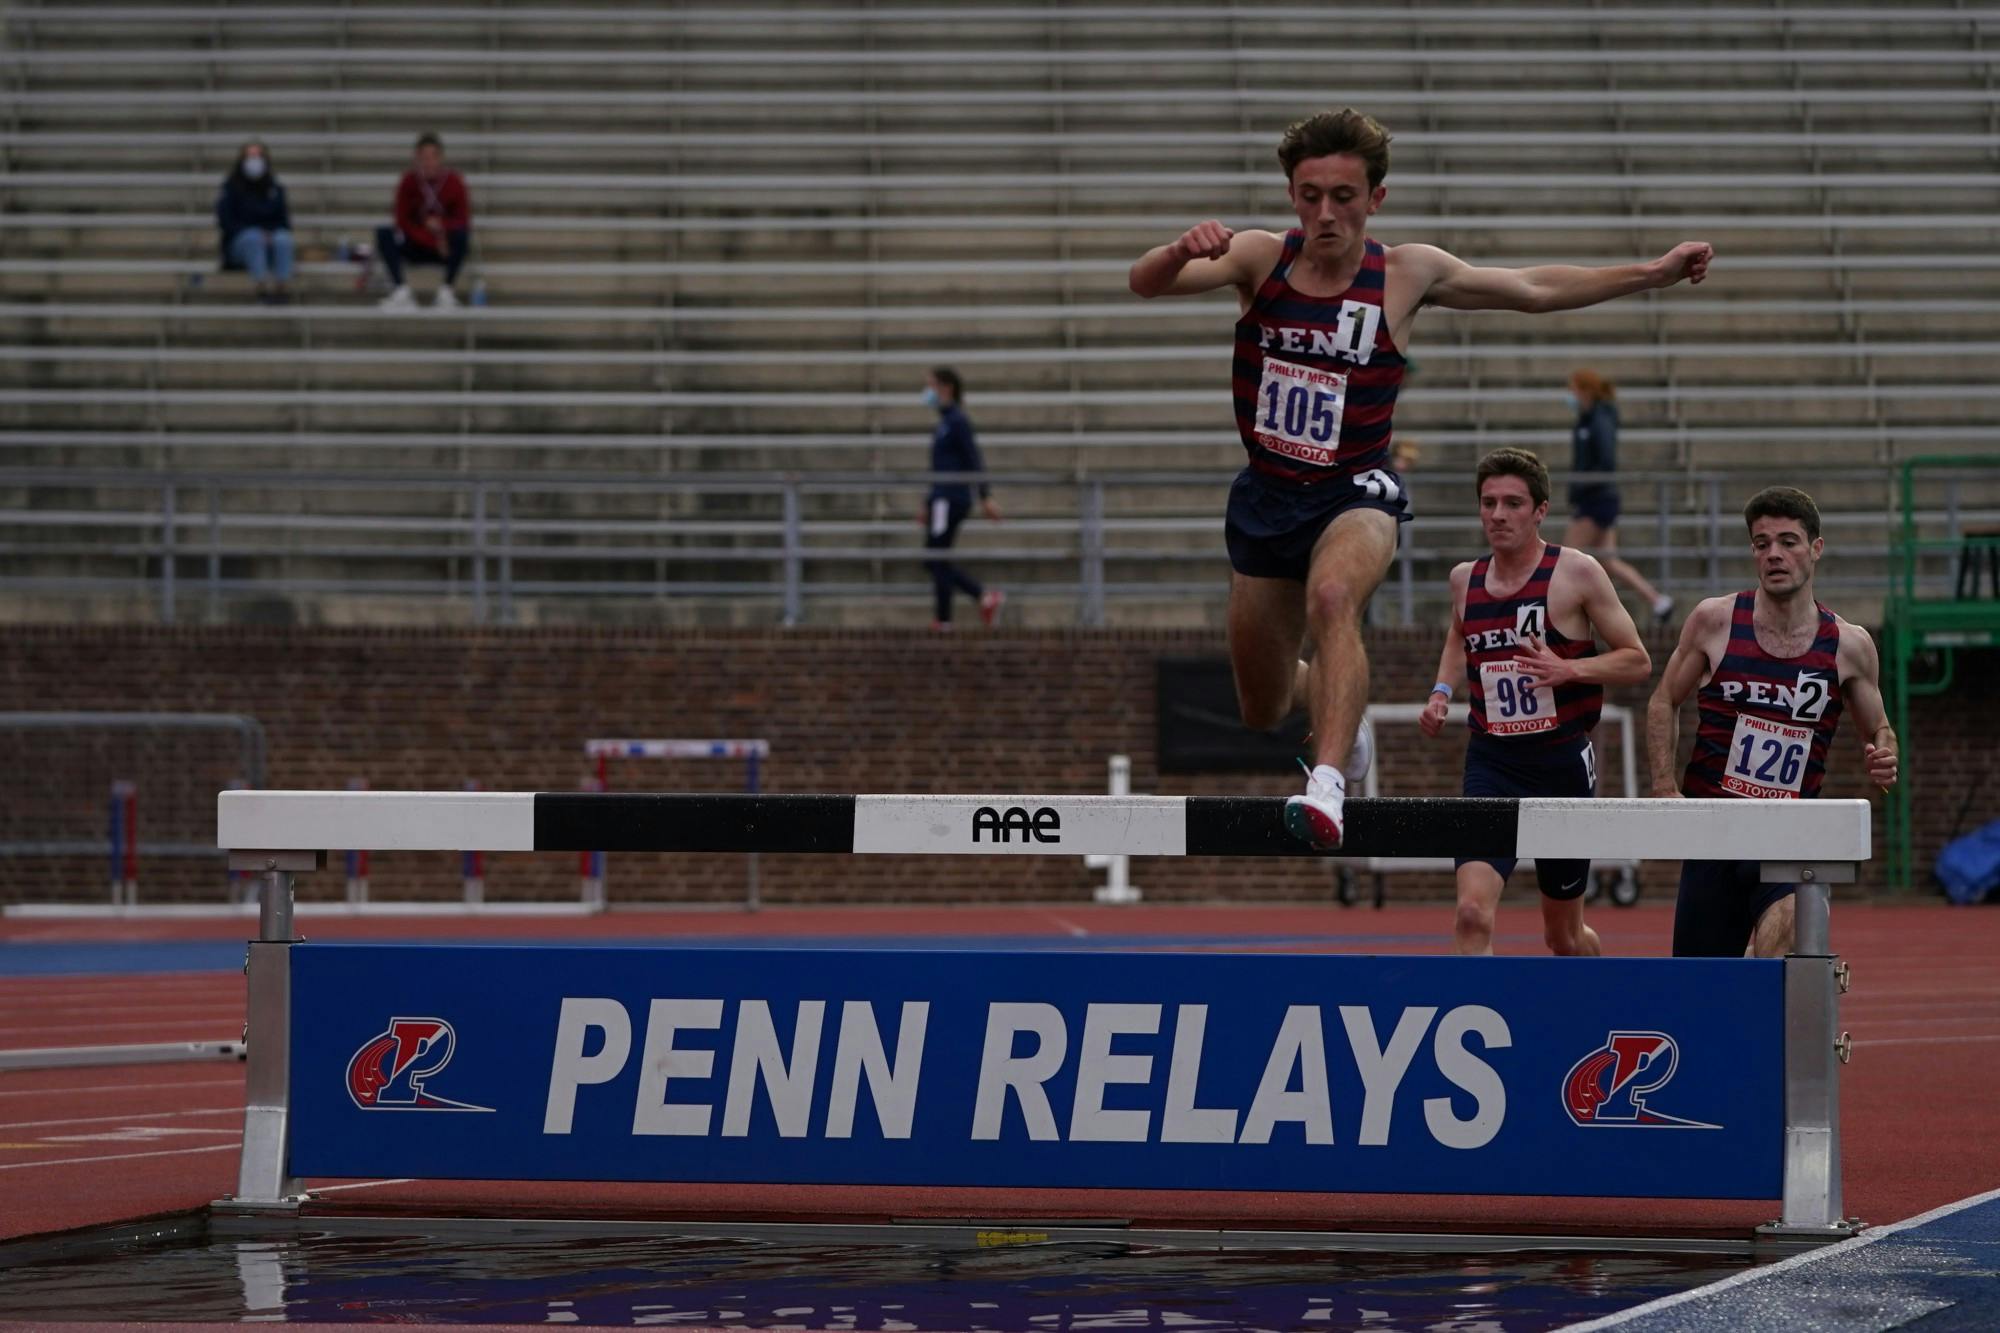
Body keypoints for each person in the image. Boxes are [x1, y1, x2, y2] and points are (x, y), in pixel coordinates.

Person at [1128, 106, 1713, 849]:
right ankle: (1346, 706)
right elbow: (1144, 284)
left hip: (1354, 491)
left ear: (1376, 198)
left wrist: (1651, 273)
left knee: (1334, 596)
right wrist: (1179, 249)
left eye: (1343, 196)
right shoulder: (1257, 258)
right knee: (1262, 703)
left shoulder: (1405, 273)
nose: (1325, 213)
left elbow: (1532, 287)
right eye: (1310, 196)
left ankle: (1329, 784)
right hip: (1266, 497)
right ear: (1291, 197)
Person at [1647, 486, 1899, 958]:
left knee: (1779, 943)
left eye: (1788, 542)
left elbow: (1879, 728)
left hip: (1788, 836)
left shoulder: (1849, 645)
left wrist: (1885, 757)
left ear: (1816, 549)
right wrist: (1664, 785)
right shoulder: (1715, 621)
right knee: (1700, 985)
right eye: (1762, 544)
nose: (1774, 555)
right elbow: (1663, 701)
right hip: (1715, 834)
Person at [1419, 448, 1652, 956]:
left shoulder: (1577, 574)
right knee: (1471, 913)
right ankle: (1472, 1026)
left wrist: (1570, 669)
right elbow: (1460, 637)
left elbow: (1636, 660)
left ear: (1540, 510)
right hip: (1492, 764)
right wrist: (1441, 692)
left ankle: (1593, 1003)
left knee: (1563, 936)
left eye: (1513, 503)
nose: (1498, 515)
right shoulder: (1465, 579)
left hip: (1560, 766)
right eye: (1488, 503)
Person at [1560, 369, 1675, 624]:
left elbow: (1604, 460)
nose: (1570, 395)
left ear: (1585, 391)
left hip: (1596, 498)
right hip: (1597, 496)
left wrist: (1582, 486)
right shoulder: (1589, 419)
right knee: (1609, 561)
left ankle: (1565, 613)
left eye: (1573, 389)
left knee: (1565, 560)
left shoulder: (1598, 420)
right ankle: (1657, 600)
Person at [920, 367, 1005, 629]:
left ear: (946, 388)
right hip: (941, 498)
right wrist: (928, 503)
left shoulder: (956, 421)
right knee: (935, 558)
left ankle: (950, 616)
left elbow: (972, 458)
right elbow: (940, 469)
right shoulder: (945, 423)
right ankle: (975, 600)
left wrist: (985, 496)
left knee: (936, 557)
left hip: (950, 499)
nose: (927, 392)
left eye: (931, 386)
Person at [376, 132, 472, 311]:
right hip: (419, 243)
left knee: (462, 236)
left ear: (441, 158)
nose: (428, 162)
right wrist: (432, 238)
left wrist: (441, 228)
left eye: (432, 157)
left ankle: (446, 292)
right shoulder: (408, 181)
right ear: (416, 159)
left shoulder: (454, 181)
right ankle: (401, 291)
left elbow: (462, 220)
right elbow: (401, 220)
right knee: (384, 233)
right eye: (423, 157)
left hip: (445, 248)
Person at [214, 139, 294, 304]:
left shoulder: (275, 188)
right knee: (253, 238)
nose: (254, 161)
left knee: (283, 239)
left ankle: (281, 288)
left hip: (270, 241)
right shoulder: (230, 188)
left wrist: (269, 233)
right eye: (250, 156)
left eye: (258, 156)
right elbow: (226, 222)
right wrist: (255, 232)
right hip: (241, 244)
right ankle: (261, 287)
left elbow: (284, 221)